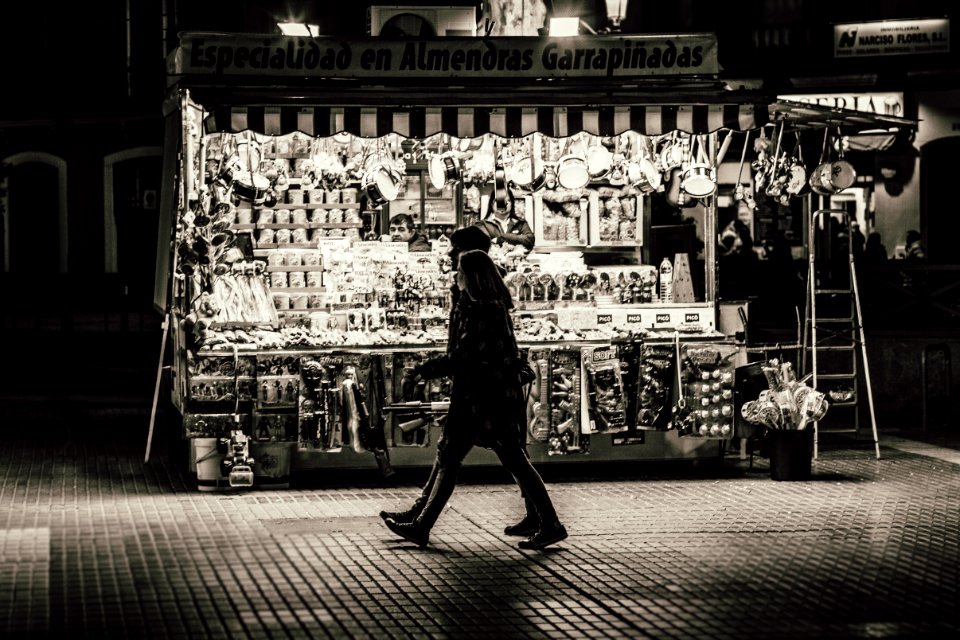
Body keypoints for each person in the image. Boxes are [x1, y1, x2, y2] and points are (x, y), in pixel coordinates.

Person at [380, 248, 566, 550]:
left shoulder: (485, 311)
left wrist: (422, 371)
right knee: (453, 455)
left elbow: (463, 356)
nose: (456, 275)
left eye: (460, 272)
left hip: (484, 398)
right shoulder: (480, 306)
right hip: (484, 396)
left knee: (497, 458)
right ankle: (420, 519)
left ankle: (550, 522)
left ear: (472, 277)